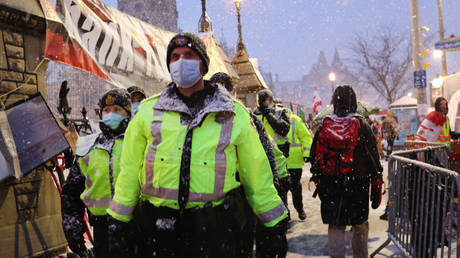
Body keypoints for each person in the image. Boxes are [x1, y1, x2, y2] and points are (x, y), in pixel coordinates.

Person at [107, 32, 288, 258]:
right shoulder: (147, 111)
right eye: (175, 56)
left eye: (189, 55)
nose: (181, 61)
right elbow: (130, 170)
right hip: (160, 233)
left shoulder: (234, 113)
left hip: (215, 234)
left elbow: (257, 174)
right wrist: (118, 222)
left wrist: (274, 226)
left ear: (203, 64)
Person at [210, 72, 287, 258]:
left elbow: (264, 155)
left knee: (242, 247)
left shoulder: (246, 117)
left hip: (241, 199)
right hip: (208, 209)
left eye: (225, 89)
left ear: (233, 92)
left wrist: (273, 218)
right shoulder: (196, 121)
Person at [309, 85, 383, 258]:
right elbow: (373, 156)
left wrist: (321, 178)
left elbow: (314, 157)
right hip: (358, 184)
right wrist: (376, 177)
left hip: (331, 183)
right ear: (354, 102)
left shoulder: (324, 126)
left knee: (336, 225)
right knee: (360, 224)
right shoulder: (362, 126)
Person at [61, 88, 132, 258]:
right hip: (102, 229)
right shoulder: (89, 147)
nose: (110, 114)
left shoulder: (136, 142)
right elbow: (71, 192)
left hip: (135, 227)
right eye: (106, 110)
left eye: (117, 110)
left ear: (127, 114)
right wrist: (73, 227)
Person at [286, 109, 313, 221]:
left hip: (281, 161)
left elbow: (306, 137)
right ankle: (299, 210)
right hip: (293, 161)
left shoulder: (270, 119)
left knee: (281, 190)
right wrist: (306, 154)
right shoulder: (295, 120)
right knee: (295, 188)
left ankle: (288, 213)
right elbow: (306, 137)